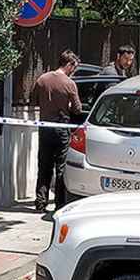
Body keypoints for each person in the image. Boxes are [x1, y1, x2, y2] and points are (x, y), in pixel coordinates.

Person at [33, 50, 83, 213]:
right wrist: (66, 106)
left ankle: (41, 201)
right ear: (69, 64)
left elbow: (34, 100)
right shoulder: (69, 84)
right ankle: (60, 203)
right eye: (73, 68)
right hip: (62, 128)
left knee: (44, 165)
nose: (73, 71)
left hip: (45, 128)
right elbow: (77, 109)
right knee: (61, 167)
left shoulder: (42, 79)